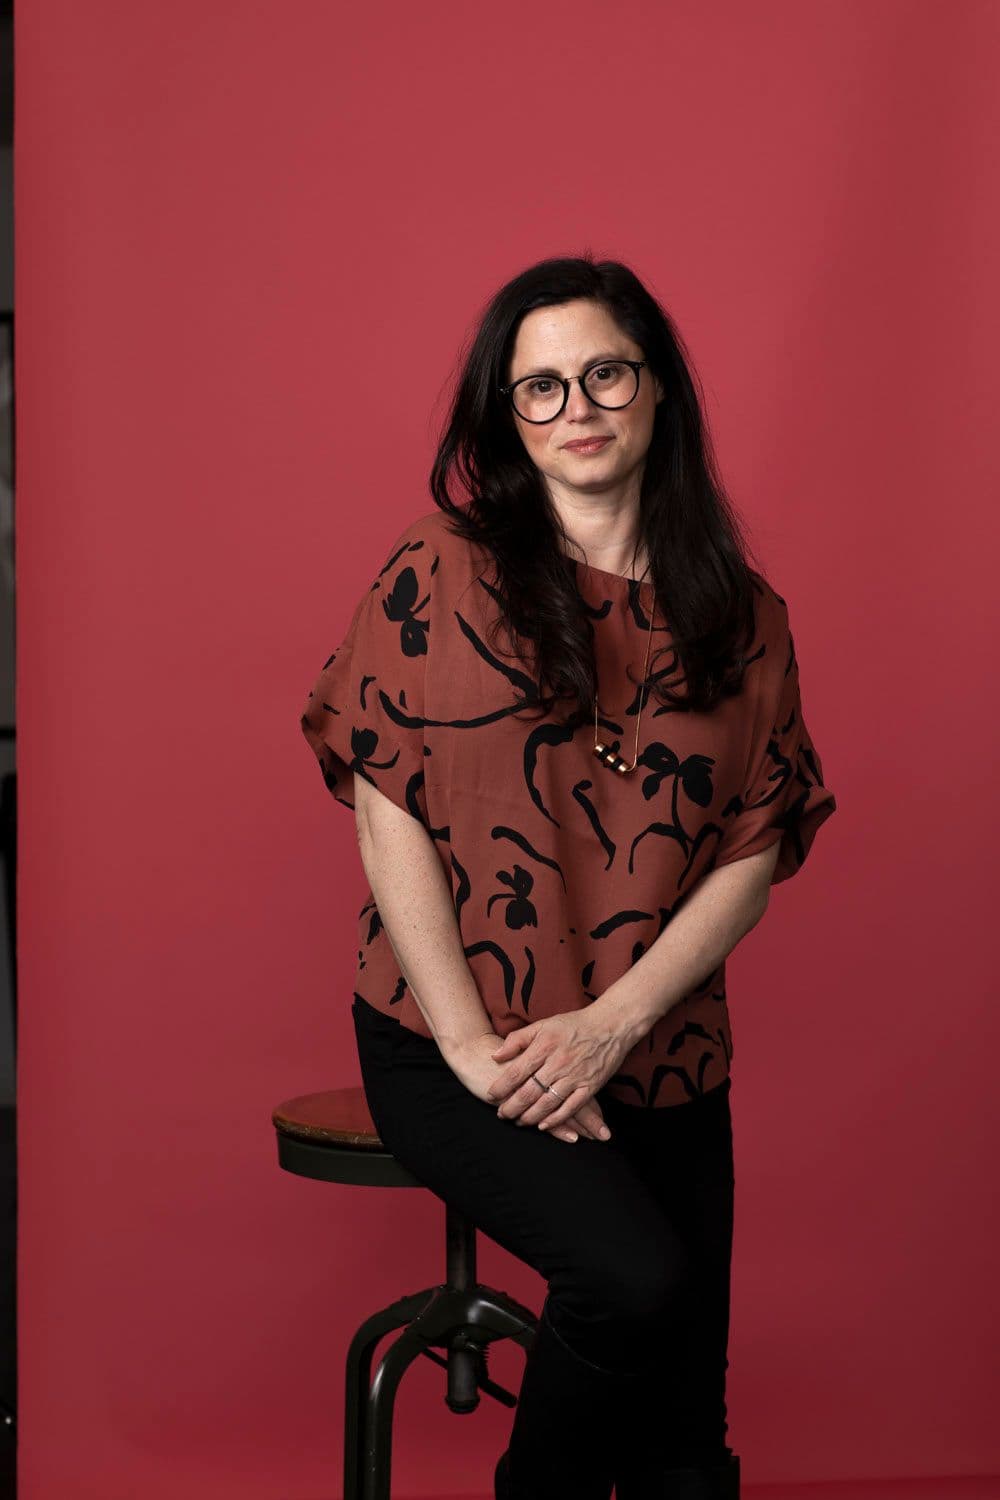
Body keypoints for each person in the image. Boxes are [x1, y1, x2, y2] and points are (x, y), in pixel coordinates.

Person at [299, 254, 838, 1500]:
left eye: (602, 372)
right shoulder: (440, 569)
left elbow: (754, 851)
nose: (574, 406)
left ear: (655, 393)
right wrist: (472, 1049)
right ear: (505, 416)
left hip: (656, 1043)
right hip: (450, 1036)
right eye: (536, 387)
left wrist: (611, 1027)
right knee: (631, 1281)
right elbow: (387, 812)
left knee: (685, 1422)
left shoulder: (746, 618)